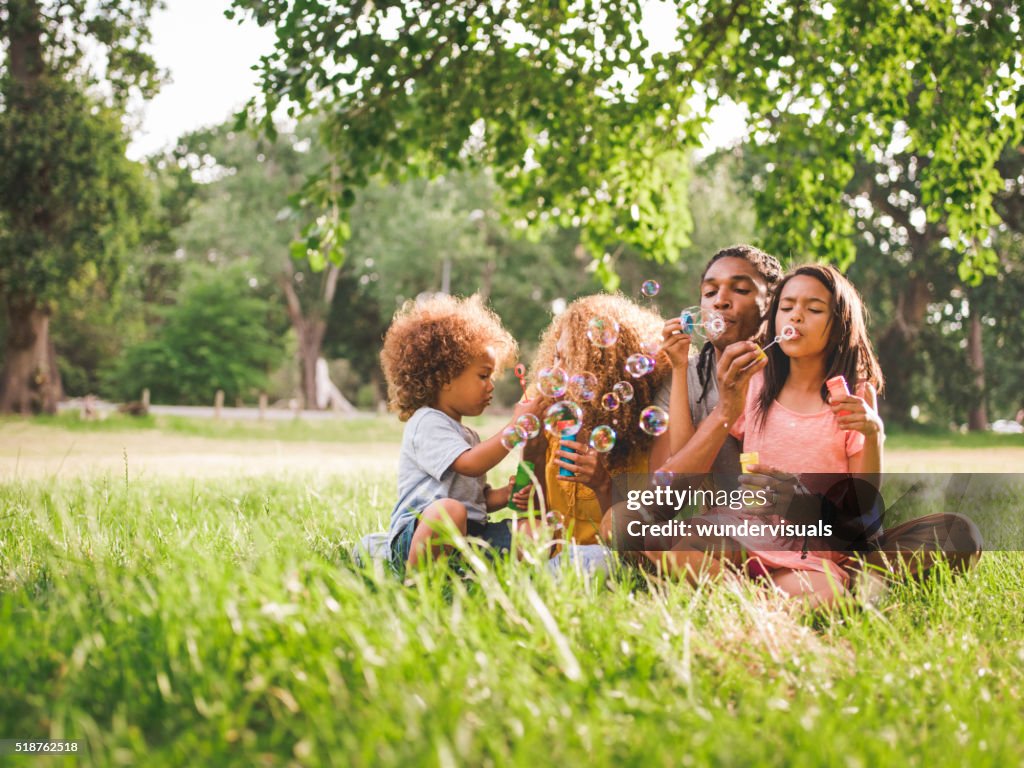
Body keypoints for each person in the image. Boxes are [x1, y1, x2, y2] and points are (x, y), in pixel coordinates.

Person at [381, 294, 538, 571]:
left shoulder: (467, 436)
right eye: (482, 375)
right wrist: (515, 428)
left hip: (470, 536)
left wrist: (506, 494)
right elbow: (469, 465)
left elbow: (476, 501)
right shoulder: (426, 422)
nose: (490, 386)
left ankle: (461, 573)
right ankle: (416, 584)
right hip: (417, 537)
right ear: (444, 376)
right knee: (449, 511)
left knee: (535, 530)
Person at [521, 294, 667, 550]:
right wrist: (531, 454)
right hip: (558, 560)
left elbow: (637, 538)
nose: (556, 371)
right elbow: (529, 513)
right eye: (556, 357)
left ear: (605, 369)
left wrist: (603, 484)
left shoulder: (638, 434)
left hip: (610, 558)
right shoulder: (552, 419)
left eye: (570, 360)